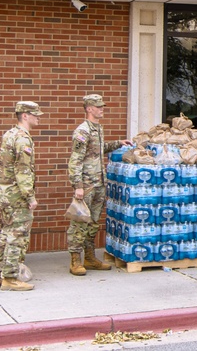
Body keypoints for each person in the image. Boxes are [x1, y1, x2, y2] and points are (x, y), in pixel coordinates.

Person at [67, 94, 132, 276]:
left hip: (98, 183)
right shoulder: (83, 131)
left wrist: (118, 144)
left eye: (102, 106)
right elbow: (75, 160)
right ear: (89, 109)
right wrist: (78, 185)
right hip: (86, 184)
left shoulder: (97, 129)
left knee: (93, 223)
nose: (102, 109)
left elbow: (98, 150)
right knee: (79, 222)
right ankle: (75, 260)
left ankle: (89, 257)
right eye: (98, 106)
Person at [0, 101, 42, 292]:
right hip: (17, 195)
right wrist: (30, 196)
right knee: (18, 236)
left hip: (6, 192)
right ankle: (10, 277)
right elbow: (22, 170)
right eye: (35, 114)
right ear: (24, 115)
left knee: (6, 233)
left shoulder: (9, 134)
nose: (38, 117)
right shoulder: (22, 139)